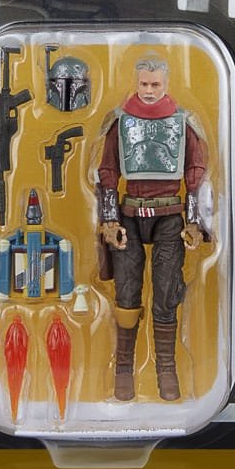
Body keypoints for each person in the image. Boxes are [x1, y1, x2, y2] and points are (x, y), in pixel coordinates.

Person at [96, 56, 208, 401]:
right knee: (127, 294)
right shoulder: (120, 121)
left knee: (166, 294)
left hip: (169, 216)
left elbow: (195, 173)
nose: (148, 90)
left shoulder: (183, 121)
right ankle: (123, 370)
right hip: (129, 215)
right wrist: (110, 220)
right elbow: (108, 173)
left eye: (154, 84)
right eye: (143, 84)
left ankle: (166, 370)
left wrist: (194, 222)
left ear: (165, 84)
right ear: (136, 82)